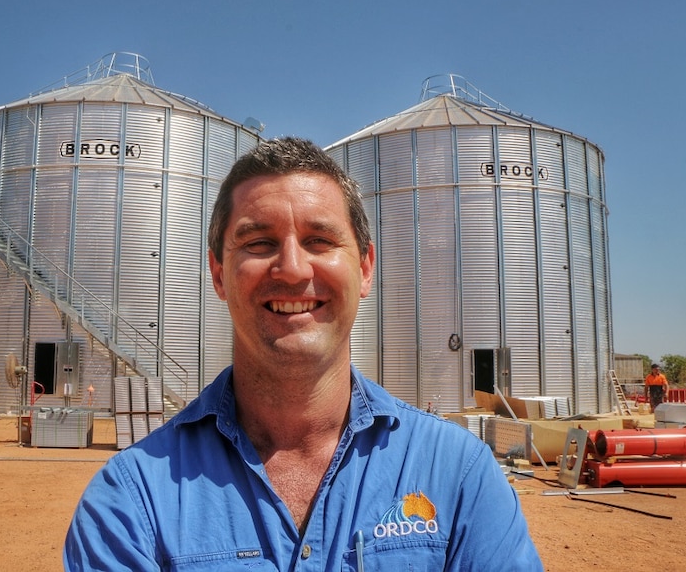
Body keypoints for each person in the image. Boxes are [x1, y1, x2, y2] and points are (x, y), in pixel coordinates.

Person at [64, 137, 543, 571]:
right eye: (258, 242)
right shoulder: (132, 500)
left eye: (319, 240)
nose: (292, 270)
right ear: (218, 274)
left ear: (365, 267)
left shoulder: (457, 475)